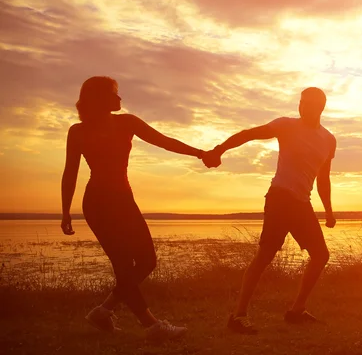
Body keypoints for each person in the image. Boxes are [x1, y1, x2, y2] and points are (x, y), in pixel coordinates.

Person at [60, 76, 204, 341]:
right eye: (115, 94)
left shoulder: (127, 123)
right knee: (123, 264)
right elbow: (70, 172)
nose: (120, 99)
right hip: (98, 203)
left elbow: (164, 141)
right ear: (100, 98)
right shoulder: (77, 131)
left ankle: (103, 310)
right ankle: (151, 325)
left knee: (148, 260)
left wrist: (200, 153)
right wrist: (65, 211)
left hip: (124, 200)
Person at [202, 87, 337, 334]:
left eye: (309, 103)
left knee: (320, 255)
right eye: (301, 102)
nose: (303, 107)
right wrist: (219, 149)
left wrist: (329, 210)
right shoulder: (286, 125)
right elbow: (248, 134)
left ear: (322, 107)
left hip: (302, 203)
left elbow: (323, 179)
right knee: (265, 255)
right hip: (280, 198)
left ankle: (296, 311)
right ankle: (238, 316)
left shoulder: (328, 140)